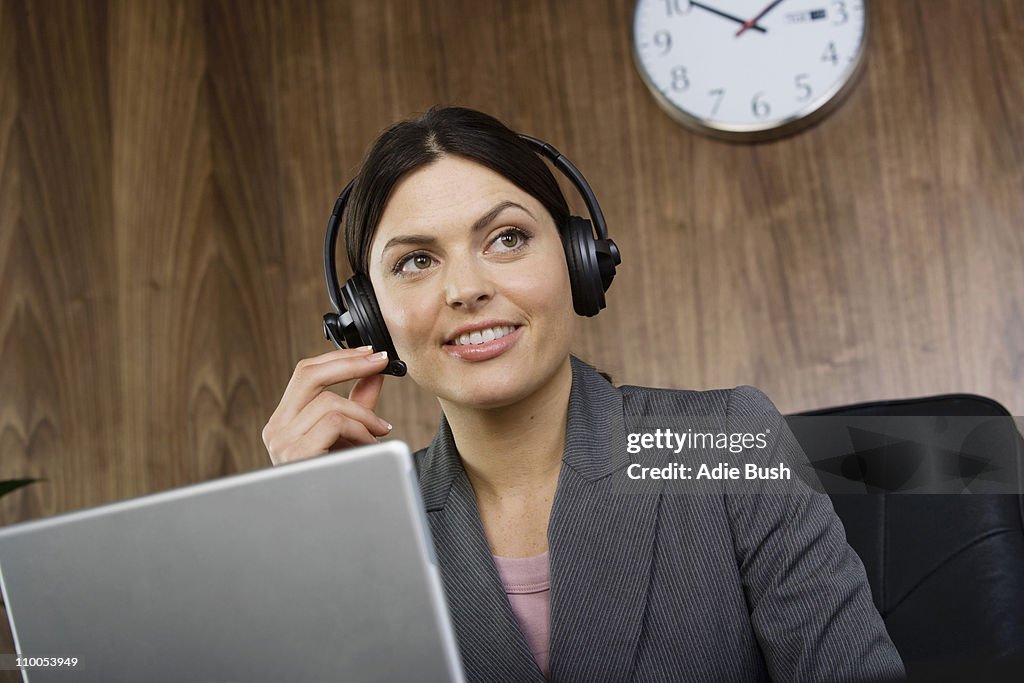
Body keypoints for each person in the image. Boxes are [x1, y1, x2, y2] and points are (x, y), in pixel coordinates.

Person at [261, 106, 905, 682]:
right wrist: (311, 532)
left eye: (506, 239)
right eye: (416, 262)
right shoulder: (371, 527)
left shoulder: (723, 442)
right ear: (367, 317)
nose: (465, 289)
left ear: (579, 262)